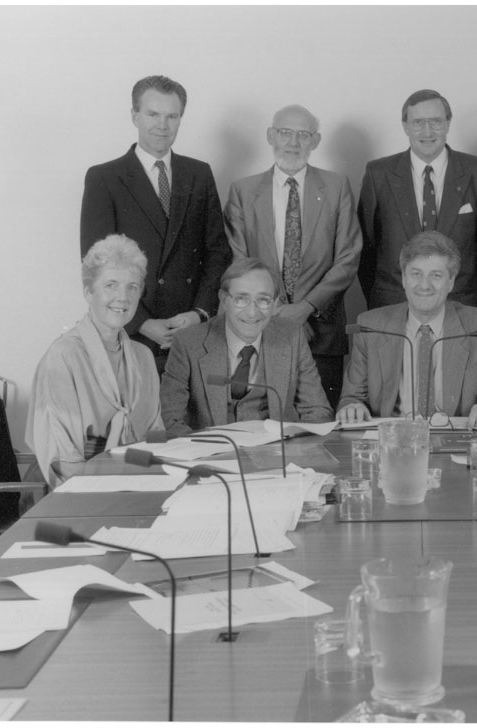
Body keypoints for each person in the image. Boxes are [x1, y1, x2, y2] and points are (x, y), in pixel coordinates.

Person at [80, 75, 232, 372]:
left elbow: (218, 252)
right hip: (131, 330)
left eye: (172, 116)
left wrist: (199, 314)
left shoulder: (198, 174)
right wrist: (143, 322)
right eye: (152, 114)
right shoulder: (105, 178)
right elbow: (94, 264)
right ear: (134, 115)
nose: (162, 125)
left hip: (190, 332)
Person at [225, 104, 362, 406]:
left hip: (322, 332)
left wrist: (305, 307)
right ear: (270, 135)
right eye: (285, 133)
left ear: (316, 141)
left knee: (321, 421)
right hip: (260, 327)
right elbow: (238, 261)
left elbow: (348, 257)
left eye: (303, 135)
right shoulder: (243, 192)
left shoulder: (337, 187)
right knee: (263, 423)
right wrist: (275, 309)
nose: (293, 142)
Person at [337, 231, 477, 428]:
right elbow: (352, 397)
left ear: (451, 282)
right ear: (404, 279)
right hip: (394, 438)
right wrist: (353, 407)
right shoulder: (370, 326)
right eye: (416, 274)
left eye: (436, 275)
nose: (425, 285)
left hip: (455, 438)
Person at [28, 236, 163, 488]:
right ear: (88, 291)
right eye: (111, 285)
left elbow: (155, 441)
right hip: (76, 493)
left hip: (135, 483)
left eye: (132, 287)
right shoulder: (63, 356)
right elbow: (66, 465)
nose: (123, 297)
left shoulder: (144, 356)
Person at [358, 89, 477, 309]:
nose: (427, 131)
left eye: (435, 121)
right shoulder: (378, 174)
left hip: (460, 304)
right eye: (418, 122)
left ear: (448, 123)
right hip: (392, 304)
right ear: (405, 126)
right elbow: (366, 249)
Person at [160, 258, 332, 435]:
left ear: (274, 305)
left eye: (263, 300)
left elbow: (318, 412)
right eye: (241, 299)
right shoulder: (188, 342)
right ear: (224, 299)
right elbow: (170, 421)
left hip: (278, 454)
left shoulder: (291, 335)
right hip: (214, 454)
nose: (252, 312)